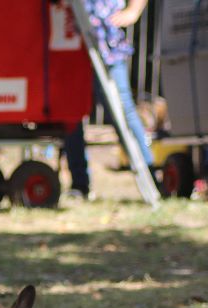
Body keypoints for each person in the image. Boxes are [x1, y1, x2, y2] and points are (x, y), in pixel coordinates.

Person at [62, 0, 154, 199]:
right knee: (71, 114)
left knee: (122, 110)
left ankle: (151, 174)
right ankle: (79, 184)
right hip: (71, 44)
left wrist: (133, 11)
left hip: (106, 44)